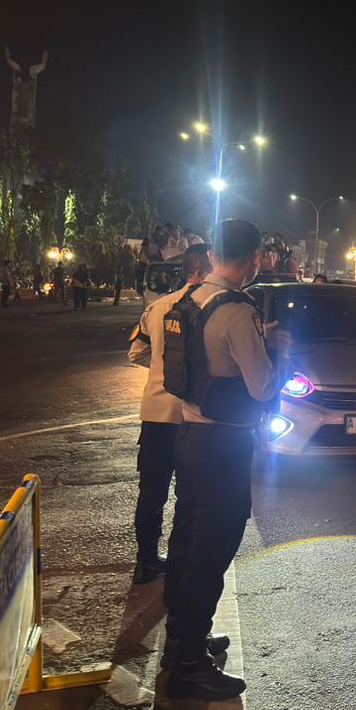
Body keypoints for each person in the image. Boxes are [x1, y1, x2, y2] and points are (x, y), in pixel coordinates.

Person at [164, 220, 291, 701]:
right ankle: (189, 665)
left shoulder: (190, 299)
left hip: (189, 434)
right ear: (255, 259)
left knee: (186, 541)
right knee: (211, 550)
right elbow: (261, 387)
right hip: (224, 445)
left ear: (213, 254)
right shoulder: (238, 310)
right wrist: (277, 354)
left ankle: (182, 640)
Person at [127, 243, 211, 584]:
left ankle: (146, 560)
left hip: (157, 413)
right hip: (196, 417)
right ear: (201, 271)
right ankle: (183, 559)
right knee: (191, 493)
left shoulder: (157, 307)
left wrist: (163, 368)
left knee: (152, 492)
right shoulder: (214, 307)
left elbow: (136, 353)